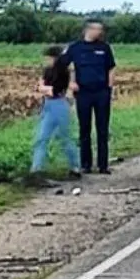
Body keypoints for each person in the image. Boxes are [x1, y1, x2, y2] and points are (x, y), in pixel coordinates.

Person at [59, 19, 116, 174]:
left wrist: (109, 88)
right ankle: (86, 164)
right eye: (98, 29)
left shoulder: (104, 48)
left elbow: (111, 68)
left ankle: (103, 165)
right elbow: (60, 65)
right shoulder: (75, 48)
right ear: (88, 30)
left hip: (101, 92)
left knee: (102, 129)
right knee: (84, 129)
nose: (100, 32)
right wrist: (69, 84)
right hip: (83, 93)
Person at [30, 45, 81, 179]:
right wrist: (43, 88)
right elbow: (41, 86)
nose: (47, 60)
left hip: (59, 104)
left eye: (49, 57)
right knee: (41, 138)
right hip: (48, 104)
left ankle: (75, 166)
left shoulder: (63, 72)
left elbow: (55, 89)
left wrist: (43, 88)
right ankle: (37, 169)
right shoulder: (47, 70)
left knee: (64, 137)